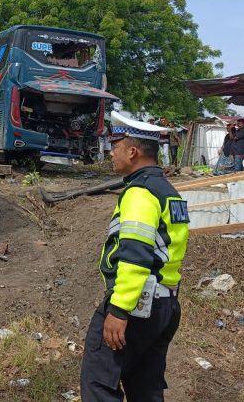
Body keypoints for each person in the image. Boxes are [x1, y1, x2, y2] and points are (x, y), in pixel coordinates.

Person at [81, 111, 190, 401]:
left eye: (114, 147)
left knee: (98, 383)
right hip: (165, 305)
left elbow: (135, 256)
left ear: (132, 152)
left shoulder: (140, 193)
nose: (111, 154)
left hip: (138, 305)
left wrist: (119, 310)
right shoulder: (169, 192)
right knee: (146, 388)